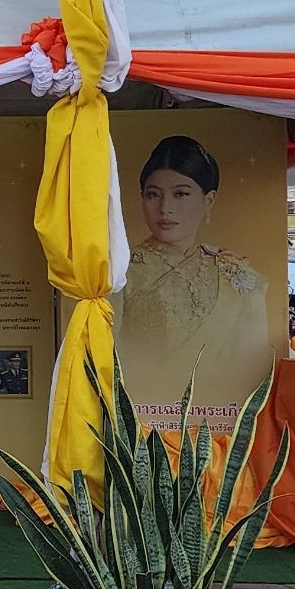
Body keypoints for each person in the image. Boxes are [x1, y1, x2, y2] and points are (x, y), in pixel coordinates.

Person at [112, 136, 272, 425]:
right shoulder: (119, 273)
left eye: (181, 194)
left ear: (208, 200)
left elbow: (253, 368)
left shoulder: (239, 277)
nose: (165, 209)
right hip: (142, 421)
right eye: (153, 194)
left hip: (220, 422)